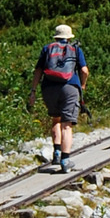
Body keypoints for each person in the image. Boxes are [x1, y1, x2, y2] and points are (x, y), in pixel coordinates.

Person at [27, 24, 88, 173]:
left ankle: (57, 151)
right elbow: (84, 70)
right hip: (70, 87)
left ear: (56, 37)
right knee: (67, 124)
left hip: (49, 88)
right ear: (69, 37)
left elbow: (38, 71)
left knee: (56, 119)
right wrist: (83, 85)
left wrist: (33, 91)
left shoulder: (47, 49)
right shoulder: (75, 50)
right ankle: (65, 160)